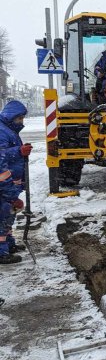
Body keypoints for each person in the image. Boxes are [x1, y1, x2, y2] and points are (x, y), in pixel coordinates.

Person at [0, 100, 32, 264]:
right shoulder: (2, 132)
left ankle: (8, 244)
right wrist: (12, 195)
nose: (21, 122)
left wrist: (19, 152)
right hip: (4, 187)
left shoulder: (9, 130)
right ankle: (1, 252)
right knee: (3, 215)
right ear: (11, 117)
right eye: (19, 119)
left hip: (10, 185)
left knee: (8, 216)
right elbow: (1, 160)